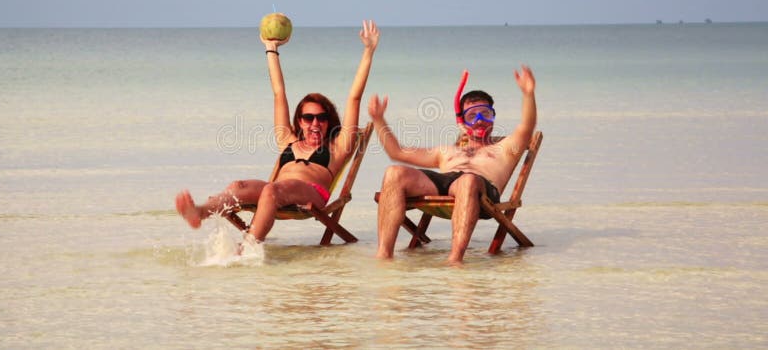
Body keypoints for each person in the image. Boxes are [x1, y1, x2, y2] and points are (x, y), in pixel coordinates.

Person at [176, 20, 380, 250]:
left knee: (272, 190)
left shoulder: (338, 147)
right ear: (300, 121)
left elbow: (354, 98)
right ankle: (199, 212)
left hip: (311, 194)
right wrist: (271, 48)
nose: (315, 123)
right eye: (308, 118)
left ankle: (248, 248)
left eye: (321, 118)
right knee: (238, 185)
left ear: (328, 120)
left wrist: (368, 50)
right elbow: (278, 93)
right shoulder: (288, 139)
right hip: (275, 193)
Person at [368, 65, 536, 264]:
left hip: (480, 187)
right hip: (447, 183)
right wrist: (379, 119)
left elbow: (527, 127)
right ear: (462, 120)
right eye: (472, 116)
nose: (480, 120)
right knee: (394, 173)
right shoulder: (446, 151)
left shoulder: (504, 148)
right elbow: (396, 152)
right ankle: (384, 256)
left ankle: (455, 260)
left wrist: (528, 94)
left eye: (485, 114)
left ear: (493, 116)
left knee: (468, 181)